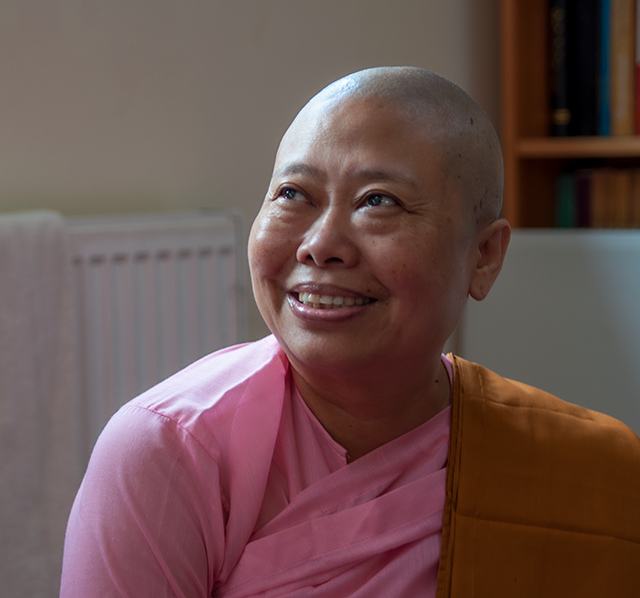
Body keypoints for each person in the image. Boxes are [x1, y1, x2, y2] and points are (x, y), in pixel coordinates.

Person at [60, 67, 640, 597]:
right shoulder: (169, 451)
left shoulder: (592, 472)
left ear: (484, 256)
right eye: (293, 195)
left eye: (378, 201)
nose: (320, 244)